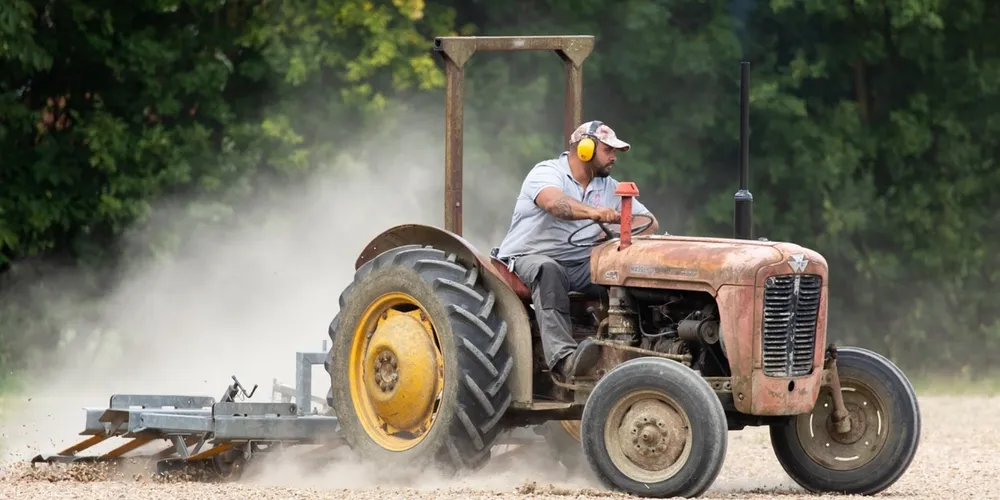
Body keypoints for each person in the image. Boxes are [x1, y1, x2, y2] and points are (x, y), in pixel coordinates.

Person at [493, 120, 659, 381]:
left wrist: (617, 230)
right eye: (608, 150)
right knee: (549, 270)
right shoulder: (547, 172)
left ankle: (633, 351)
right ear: (585, 149)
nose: (614, 158)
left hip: (581, 263)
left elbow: (649, 222)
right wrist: (595, 214)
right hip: (528, 257)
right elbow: (555, 204)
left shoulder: (608, 186)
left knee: (622, 276)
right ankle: (564, 360)